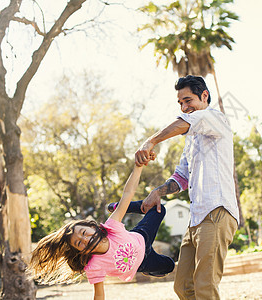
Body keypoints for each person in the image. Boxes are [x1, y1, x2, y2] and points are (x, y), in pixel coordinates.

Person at [135, 75, 239, 300]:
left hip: (217, 212)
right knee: (183, 287)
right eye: (180, 103)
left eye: (188, 100)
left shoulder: (215, 118)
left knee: (205, 287)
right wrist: (157, 193)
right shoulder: (192, 140)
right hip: (196, 219)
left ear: (204, 96)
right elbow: (181, 178)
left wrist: (150, 141)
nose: (184, 107)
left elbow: (185, 123)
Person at [27, 154, 175, 300]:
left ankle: (120, 207)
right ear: (79, 251)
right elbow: (99, 295)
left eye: (84, 233)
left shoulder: (112, 227)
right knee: (169, 266)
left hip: (142, 236)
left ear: (92, 226)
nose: (84, 239)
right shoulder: (94, 266)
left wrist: (137, 167)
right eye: (79, 243)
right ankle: (152, 269)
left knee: (158, 208)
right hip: (142, 264)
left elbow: (128, 192)